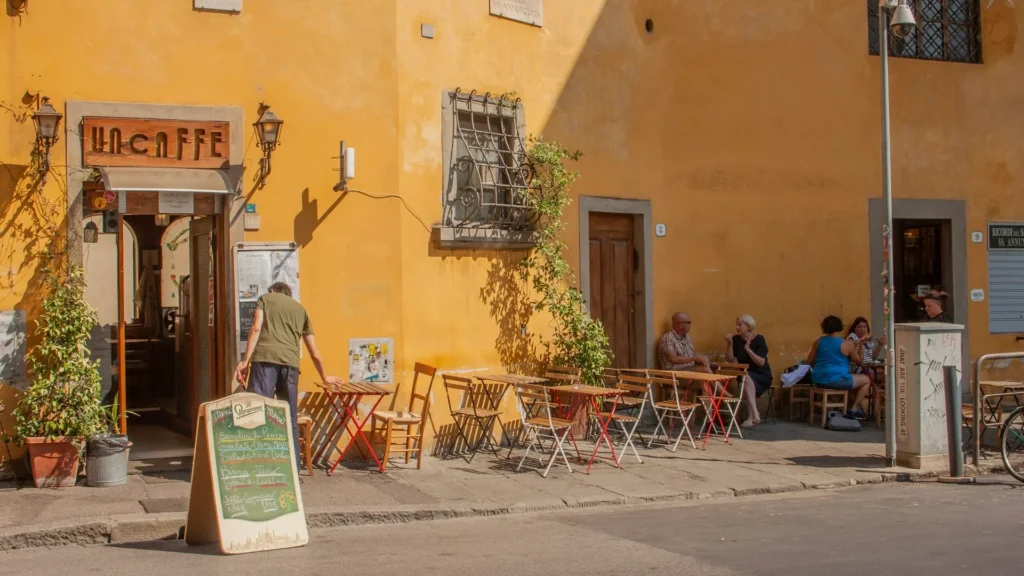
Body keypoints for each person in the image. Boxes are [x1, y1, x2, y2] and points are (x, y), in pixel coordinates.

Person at [235, 282, 342, 469]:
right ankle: (293, 467)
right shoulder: (301, 310)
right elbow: (314, 352)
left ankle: (258, 464)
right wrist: (325, 376)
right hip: (291, 364)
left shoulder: (265, 299)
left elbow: (256, 328)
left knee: (257, 410)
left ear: (272, 291)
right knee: (289, 414)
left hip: (265, 360)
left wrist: (245, 362)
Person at [807, 315, 871, 419]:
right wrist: (861, 343)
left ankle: (838, 409)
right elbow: (860, 361)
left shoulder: (818, 341)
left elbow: (809, 361)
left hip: (818, 379)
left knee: (851, 379)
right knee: (866, 380)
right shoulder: (846, 344)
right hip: (837, 380)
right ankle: (854, 409)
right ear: (840, 326)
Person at [723, 315, 772, 428]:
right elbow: (730, 359)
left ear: (748, 326)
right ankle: (753, 415)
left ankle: (752, 415)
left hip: (761, 375)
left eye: (740, 325)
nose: (737, 327)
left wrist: (748, 349)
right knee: (747, 378)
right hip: (745, 374)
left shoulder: (759, 339)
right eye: (736, 325)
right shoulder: (736, 339)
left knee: (747, 378)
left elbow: (761, 362)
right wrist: (730, 344)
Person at [846, 316, 884, 384]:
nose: (862, 329)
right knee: (880, 372)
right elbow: (851, 349)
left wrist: (879, 345)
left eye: (864, 326)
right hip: (857, 368)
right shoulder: (852, 337)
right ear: (854, 329)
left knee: (886, 370)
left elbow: (873, 357)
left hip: (869, 365)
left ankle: (878, 388)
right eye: (859, 327)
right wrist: (861, 341)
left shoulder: (868, 339)